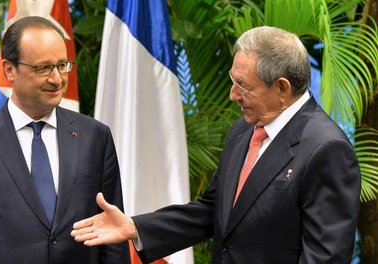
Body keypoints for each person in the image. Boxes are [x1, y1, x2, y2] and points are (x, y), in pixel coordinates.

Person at [70, 26, 361, 263]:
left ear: (282, 88)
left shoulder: (326, 149)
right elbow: (213, 210)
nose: (233, 95)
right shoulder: (244, 129)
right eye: (234, 81)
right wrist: (135, 227)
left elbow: (325, 257)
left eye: (244, 86)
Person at [0, 16, 130, 264]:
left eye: (62, 65)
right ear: (9, 70)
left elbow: (113, 242)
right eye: (43, 68)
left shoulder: (95, 137)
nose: (57, 79)